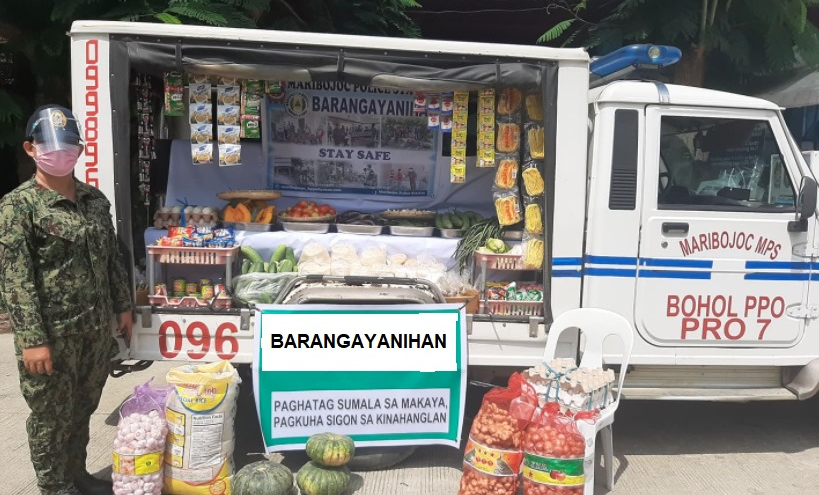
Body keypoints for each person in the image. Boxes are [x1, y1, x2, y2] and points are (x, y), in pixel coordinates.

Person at [0, 105, 134, 495]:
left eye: (68, 147)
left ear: (79, 150)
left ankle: (77, 474)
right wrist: (32, 340)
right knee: (50, 418)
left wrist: (123, 306)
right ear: (30, 149)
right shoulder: (17, 206)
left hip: (93, 331)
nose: (61, 155)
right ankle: (54, 486)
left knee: (82, 409)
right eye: (51, 147)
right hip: (52, 336)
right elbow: (16, 279)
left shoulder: (95, 200)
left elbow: (111, 258)